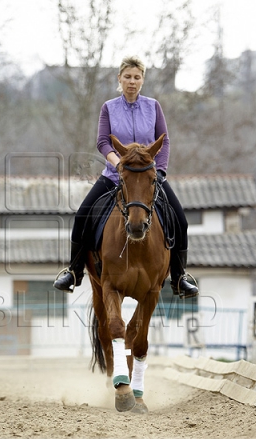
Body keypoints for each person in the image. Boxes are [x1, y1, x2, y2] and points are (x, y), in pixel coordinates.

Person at [54, 55, 199, 299]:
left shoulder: (153, 106)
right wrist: (118, 164)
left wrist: (160, 171)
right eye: (127, 77)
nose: (132, 81)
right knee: (82, 215)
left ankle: (179, 276)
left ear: (142, 80)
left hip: (147, 178)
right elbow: (102, 141)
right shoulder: (108, 107)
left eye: (137, 77)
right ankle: (75, 271)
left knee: (180, 220)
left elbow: (164, 140)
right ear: (119, 79)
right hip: (114, 176)